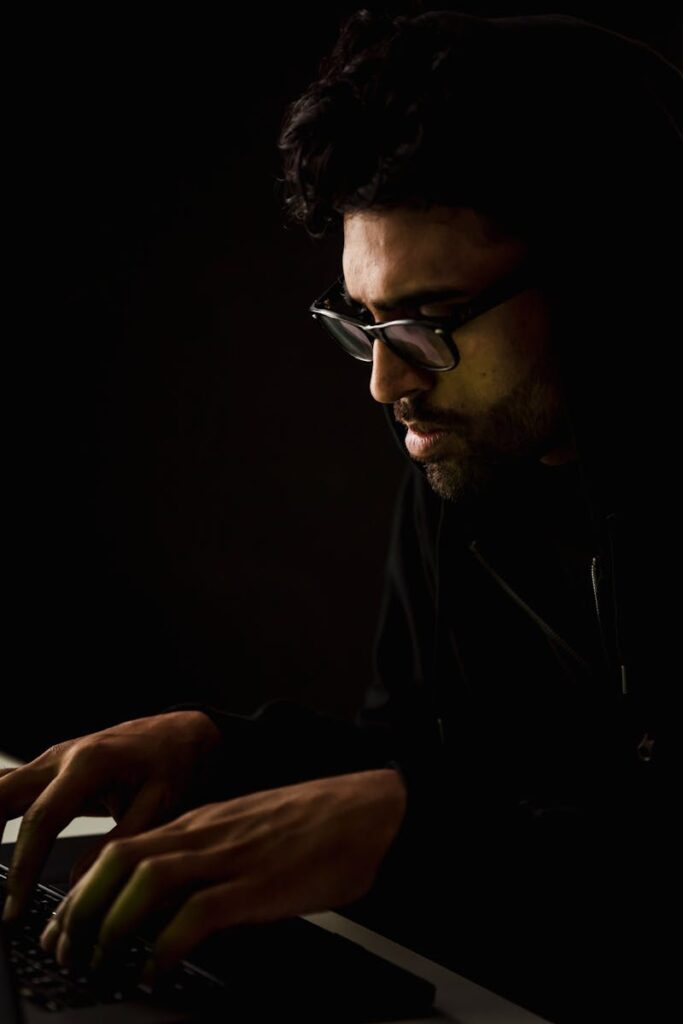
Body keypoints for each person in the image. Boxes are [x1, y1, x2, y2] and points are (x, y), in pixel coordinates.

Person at [1, 9, 680, 1022]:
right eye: (364, 321)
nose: (385, 382)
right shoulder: (464, 460)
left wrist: (415, 832)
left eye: (429, 320)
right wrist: (223, 752)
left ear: (609, 284)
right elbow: (424, 764)